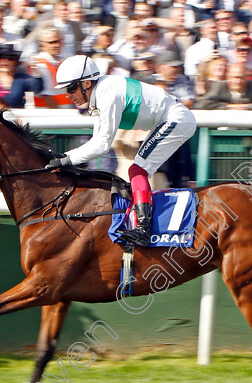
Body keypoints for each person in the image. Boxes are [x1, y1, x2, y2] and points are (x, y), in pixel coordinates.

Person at [47, 54, 197, 247]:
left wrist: (66, 159)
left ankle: (144, 228)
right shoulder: (100, 92)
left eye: (71, 88)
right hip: (171, 119)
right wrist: (66, 158)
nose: (68, 95)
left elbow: (102, 145)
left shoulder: (107, 93)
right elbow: (97, 140)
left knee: (138, 170)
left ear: (85, 84)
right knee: (137, 170)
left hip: (176, 119)